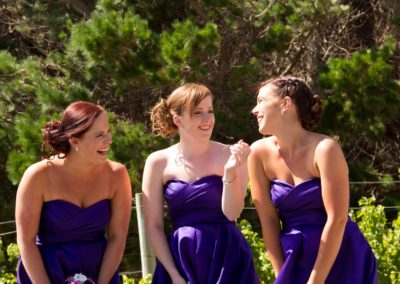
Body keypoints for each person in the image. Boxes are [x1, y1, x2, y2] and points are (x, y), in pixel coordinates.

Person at [249, 76, 378, 284]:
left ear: (285, 104)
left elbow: (337, 219)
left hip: (341, 257)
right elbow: (269, 222)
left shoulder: (325, 149)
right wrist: (282, 274)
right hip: (294, 256)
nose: (254, 110)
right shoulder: (257, 153)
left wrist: (315, 281)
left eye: (261, 101)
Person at [142, 83, 260, 284]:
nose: (207, 119)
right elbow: (153, 226)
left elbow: (232, 213)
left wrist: (230, 171)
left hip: (228, 257)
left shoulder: (233, 155)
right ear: (178, 120)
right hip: (181, 258)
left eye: (210, 111)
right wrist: (174, 274)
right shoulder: (157, 162)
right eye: (198, 113)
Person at [16, 101, 132, 284]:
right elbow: (26, 241)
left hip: (100, 271)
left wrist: (102, 282)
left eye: (109, 132)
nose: (109, 140)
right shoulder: (38, 176)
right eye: (100, 135)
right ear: (74, 141)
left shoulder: (117, 175)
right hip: (45, 272)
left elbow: (117, 237)